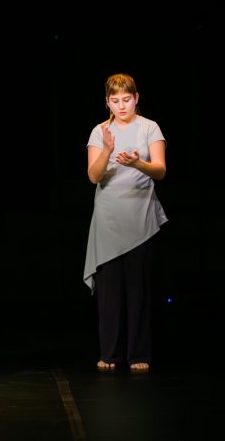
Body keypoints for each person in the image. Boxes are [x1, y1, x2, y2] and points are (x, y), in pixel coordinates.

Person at [84, 74, 167, 373]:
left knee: (138, 289)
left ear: (136, 98)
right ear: (107, 102)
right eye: (115, 100)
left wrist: (137, 163)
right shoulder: (100, 131)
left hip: (139, 214)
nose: (122, 106)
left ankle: (138, 353)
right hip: (109, 217)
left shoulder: (149, 127)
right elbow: (94, 176)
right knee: (110, 291)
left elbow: (160, 170)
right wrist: (107, 150)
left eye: (127, 99)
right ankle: (110, 352)